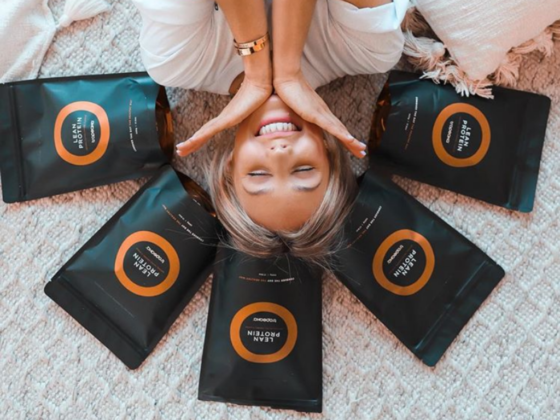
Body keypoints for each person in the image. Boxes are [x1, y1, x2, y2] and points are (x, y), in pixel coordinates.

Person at [132, 0, 407, 267]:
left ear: (231, 165)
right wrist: (287, 70)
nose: (279, 154)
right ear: (330, 154)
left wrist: (257, 73)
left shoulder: (176, 61)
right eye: (303, 170)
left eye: (258, 174)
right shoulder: (369, 52)